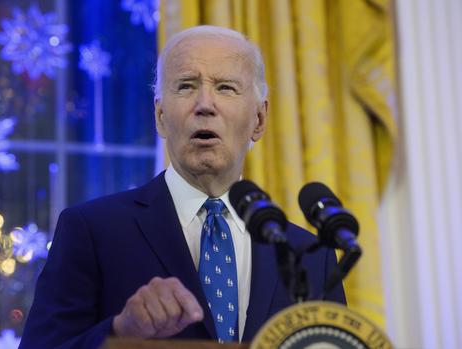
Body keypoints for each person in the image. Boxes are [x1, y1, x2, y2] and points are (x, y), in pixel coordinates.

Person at [19, 25, 346, 349]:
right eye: (186, 86)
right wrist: (119, 331)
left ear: (259, 119)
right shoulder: (92, 230)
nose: (205, 104)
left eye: (226, 88)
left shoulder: (309, 257)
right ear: (160, 116)